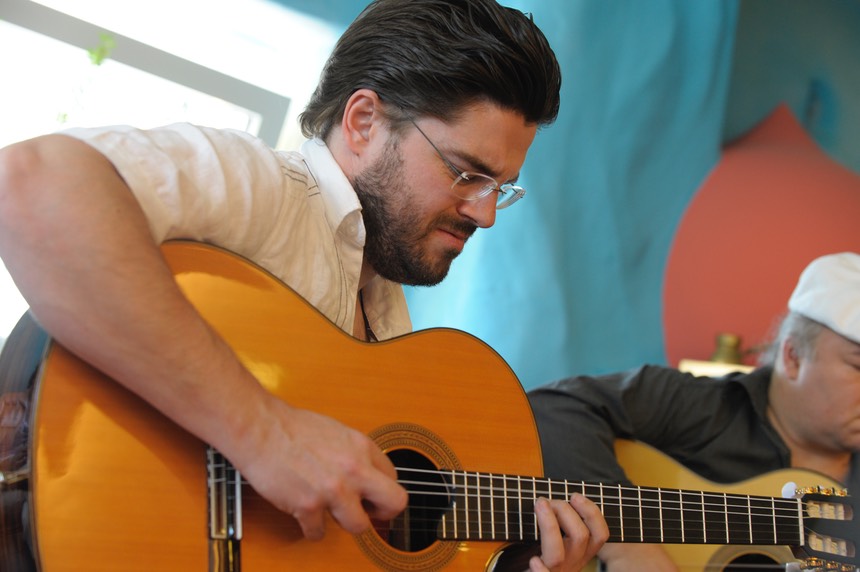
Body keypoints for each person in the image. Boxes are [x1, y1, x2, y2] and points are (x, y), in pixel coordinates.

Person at [0, 0, 609, 570]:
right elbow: (27, 187)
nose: (485, 213)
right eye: (466, 174)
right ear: (365, 121)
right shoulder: (263, 186)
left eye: (500, 187)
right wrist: (262, 433)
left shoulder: (387, 315)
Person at [528, 251, 860, 571]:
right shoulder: (697, 406)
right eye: (857, 365)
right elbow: (552, 410)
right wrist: (629, 548)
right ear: (793, 357)